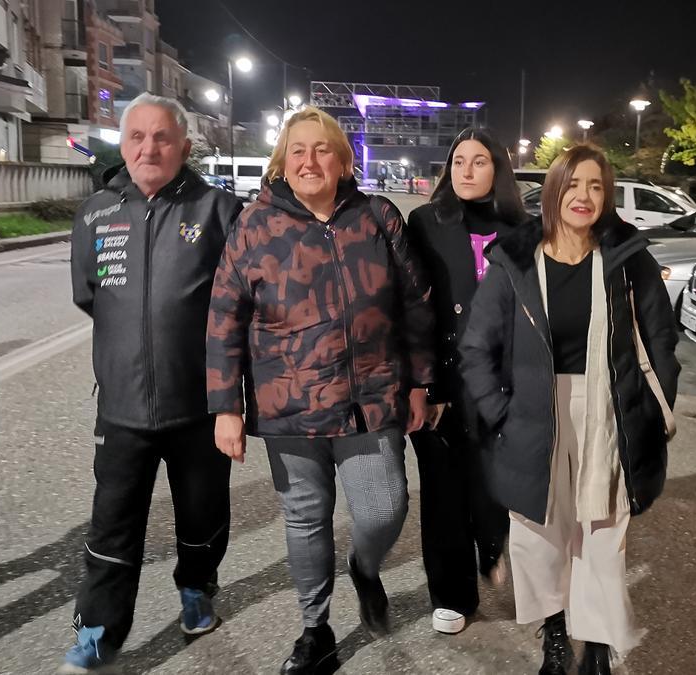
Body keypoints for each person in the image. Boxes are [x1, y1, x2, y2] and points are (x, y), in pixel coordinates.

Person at [206, 106, 434, 675]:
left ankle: (364, 567)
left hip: (372, 397)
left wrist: (422, 382)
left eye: (323, 149)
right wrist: (225, 407)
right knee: (305, 520)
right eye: (299, 150)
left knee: (385, 508)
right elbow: (223, 317)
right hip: (289, 404)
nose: (310, 160)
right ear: (283, 161)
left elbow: (415, 302)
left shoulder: (377, 216)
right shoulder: (255, 224)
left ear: (344, 159)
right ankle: (316, 629)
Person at [460, 144, 679, 675]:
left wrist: (652, 411)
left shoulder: (628, 259)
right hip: (534, 413)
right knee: (542, 535)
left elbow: (661, 342)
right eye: (574, 184)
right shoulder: (516, 261)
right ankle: (554, 631)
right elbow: (476, 348)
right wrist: (500, 414)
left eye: (597, 186)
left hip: (608, 410)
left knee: (603, 534)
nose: (584, 196)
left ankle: (598, 647)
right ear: (555, 190)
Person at [61, 94, 242, 674]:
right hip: (121, 406)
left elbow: (237, 305)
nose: (148, 148)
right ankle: (98, 630)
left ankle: (196, 587)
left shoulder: (218, 210)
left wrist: (229, 397)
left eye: (161, 137)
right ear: (122, 143)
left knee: (202, 514)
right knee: (112, 524)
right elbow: (90, 294)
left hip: (199, 405)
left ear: (184, 146)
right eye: (136, 136)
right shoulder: (94, 212)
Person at [404, 127, 528, 635]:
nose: (467, 171)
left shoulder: (523, 229)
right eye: (458, 161)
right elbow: (412, 307)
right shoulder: (425, 222)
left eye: (479, 161)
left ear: (498, 169)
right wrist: (423, 385)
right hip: (444, 381)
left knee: (494, 483)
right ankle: (451, 592)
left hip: (505, 382)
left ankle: (494, 544)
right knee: (444, 491)